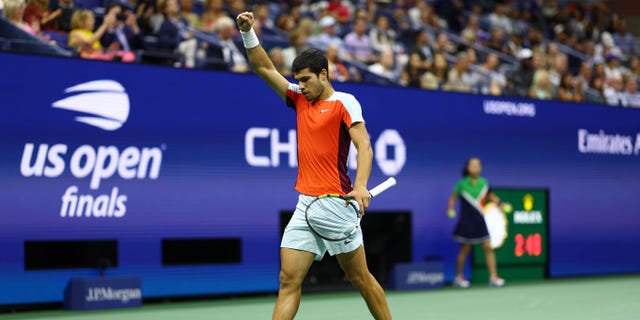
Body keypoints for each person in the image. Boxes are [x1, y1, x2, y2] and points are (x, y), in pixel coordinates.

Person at [235, 11, 392, 320]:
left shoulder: (345, 102)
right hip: (305, 203)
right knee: (287, 280)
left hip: (336, 205)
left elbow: (364, 145)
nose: (301, 86)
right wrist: (247, 32)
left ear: (324, 74)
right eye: (298, 80)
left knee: (359, 278)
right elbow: (264, 67)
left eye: (306, 79)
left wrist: (360, 185)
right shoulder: (299, 98)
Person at [447, 157, 508, 288]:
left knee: (488, 247)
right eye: (472, 165)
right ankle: (458, 277)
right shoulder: (462, 184)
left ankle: (493, 277)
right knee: (465, 248)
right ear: (467, 168)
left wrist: (501, 203)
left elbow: (491, 196)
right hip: (467, 221)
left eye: (477, 165)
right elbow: (453, 198)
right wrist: (450, 209)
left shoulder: (484, 183)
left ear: (480, 168)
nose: (475, 167)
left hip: (480, 220)